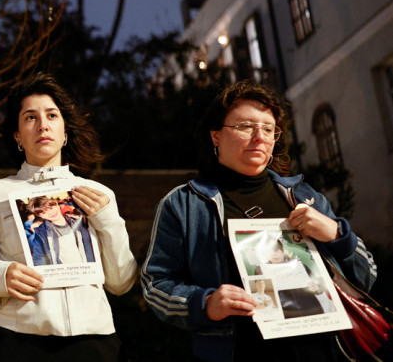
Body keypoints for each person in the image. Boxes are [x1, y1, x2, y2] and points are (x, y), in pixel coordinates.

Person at [141, 80, 377, 362]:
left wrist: (338, 234)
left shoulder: (304, 196)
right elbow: (156, 284)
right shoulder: (183, 205)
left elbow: (367, 276)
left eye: (268, 129)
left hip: (323, 351)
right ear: (216, 136)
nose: (259, 137)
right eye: (245, 126)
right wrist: (204, 303)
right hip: (240, 353)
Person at [0, 73, 137, 361]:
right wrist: (0, 276)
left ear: (65, 133)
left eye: (52, 115)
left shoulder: (99, 195)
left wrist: (107, 220)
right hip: (17, 342)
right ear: (17, 135)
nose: (42, 125)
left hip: (95, 341)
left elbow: (121, 282)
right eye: (30, 117)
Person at [28, 196, 95, 265]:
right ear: (40, 216)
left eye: (51, 208)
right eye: (44, 213)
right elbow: (39, 258)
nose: (50, 213)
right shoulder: (41, 233)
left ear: (56, 205)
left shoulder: (79, 223)